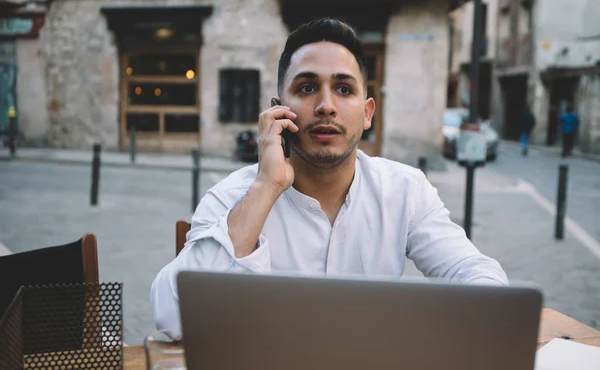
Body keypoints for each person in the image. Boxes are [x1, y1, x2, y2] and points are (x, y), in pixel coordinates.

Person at [151, 18, 508, 339]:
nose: (326, 106)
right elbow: (171, 316)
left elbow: (474, 274)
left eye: (344, 89)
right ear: (278, 108)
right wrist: (265, 188)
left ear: (367, 113)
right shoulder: (234, 196)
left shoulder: (404, 190)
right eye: (307, 88)